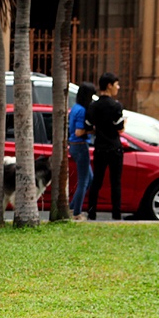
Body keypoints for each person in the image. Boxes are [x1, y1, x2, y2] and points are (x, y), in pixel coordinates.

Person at [84, 72, 125, 220]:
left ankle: (92, 212)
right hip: (115, 148)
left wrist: (99, 128)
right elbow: (120, 128)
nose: (118, 88)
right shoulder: (116, 106)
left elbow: (88, 127)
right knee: (116, 182)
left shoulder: (93, 106)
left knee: (97, 181)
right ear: (109, 85)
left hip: (100, 147)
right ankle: (116, 214)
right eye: (116, 84)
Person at [68, 82, 96, 220]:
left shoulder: (75, 108)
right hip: (80, 145)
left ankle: (72, 207)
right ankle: (76, 213)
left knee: (89, 178)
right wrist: (93, 130)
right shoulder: (82, 111)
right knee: (84, 180)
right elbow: (79, 132)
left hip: (74, 145)